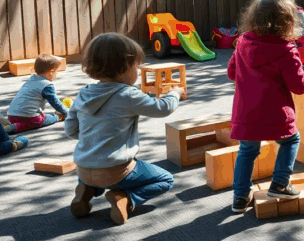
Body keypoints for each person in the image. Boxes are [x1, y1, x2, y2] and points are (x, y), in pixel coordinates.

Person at [65, 33, 185, 225]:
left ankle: (86, 191)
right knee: (166, 179)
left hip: (83, 171)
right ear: (125, 67)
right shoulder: (127, 94)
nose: (137, 70)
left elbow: (71, 129)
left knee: (95, 172)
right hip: (116, 172)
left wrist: (94, 137)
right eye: (136, 66)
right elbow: (162, 108)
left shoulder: (83, 93)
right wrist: (174, 93)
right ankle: (126, 198)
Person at [228, 0, 304, 213]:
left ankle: (240, 197)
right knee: (291, 141)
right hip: (275, 112)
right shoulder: (287, 50)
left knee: (246, 151)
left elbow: (232, 73)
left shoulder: (242, 42)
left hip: (246, 112)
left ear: (254, 17)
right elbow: (299, 85)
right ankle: (279, 184)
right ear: (287, 22)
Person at [6, 54, 68, 134]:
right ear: (51, 72)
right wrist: (68, 112)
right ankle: (14, 127)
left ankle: (11, 125)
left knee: (39, 117)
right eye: (56, 72)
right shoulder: (46, 85)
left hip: (11, 116)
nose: (56, 74)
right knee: (41, 120)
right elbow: (56, 103)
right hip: (28, 117)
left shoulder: (31, 79)